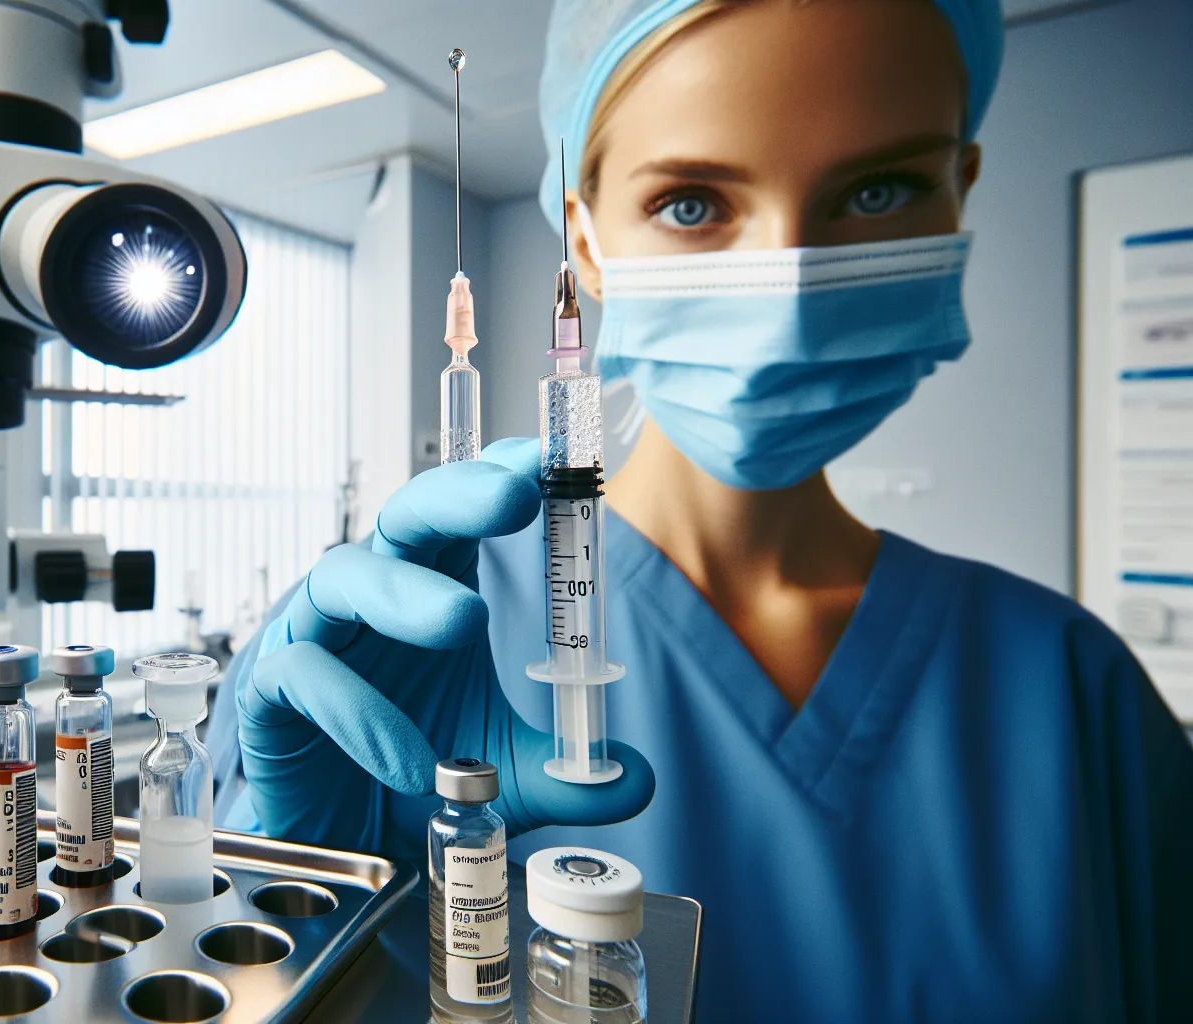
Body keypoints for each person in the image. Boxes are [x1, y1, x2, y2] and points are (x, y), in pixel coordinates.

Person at [207, 0, 1193, 1019]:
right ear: (583, 242)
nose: (789, 292)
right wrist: (295, 909)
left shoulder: (1073, 694)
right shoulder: (378, 652)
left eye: (879, 189)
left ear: (957, 195)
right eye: (689, 203)